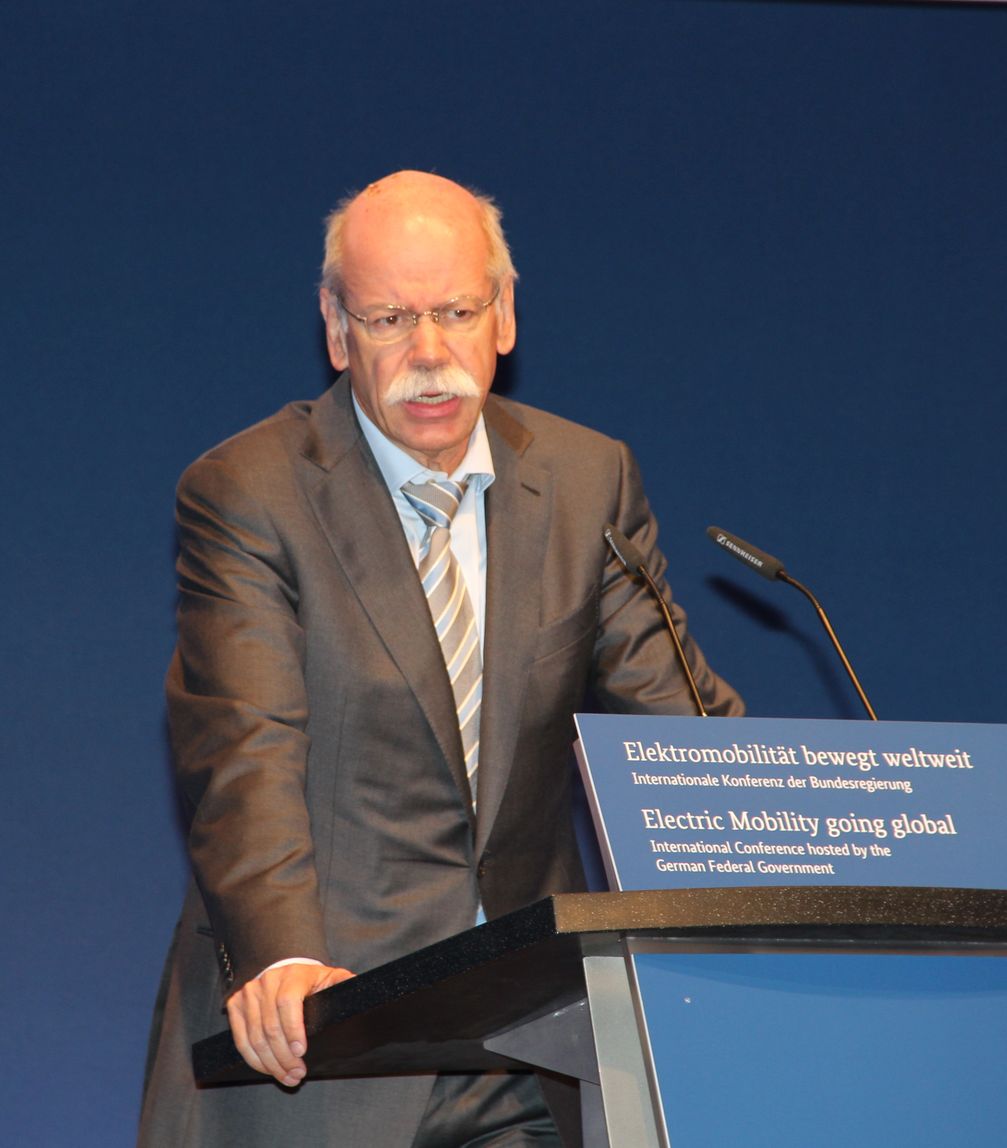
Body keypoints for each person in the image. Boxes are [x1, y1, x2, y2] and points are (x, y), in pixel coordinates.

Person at [138, 170, 743, 1147]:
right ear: (336, 329)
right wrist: (284, 954)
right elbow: (242, 749)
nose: (429, 353)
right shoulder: (248, 493)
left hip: (526, 1041)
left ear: (503, 315)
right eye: (388, 319)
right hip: (327, 1038)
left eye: (456, 311)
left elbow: (680, 733)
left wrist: (807, 838)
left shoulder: (585, 479)